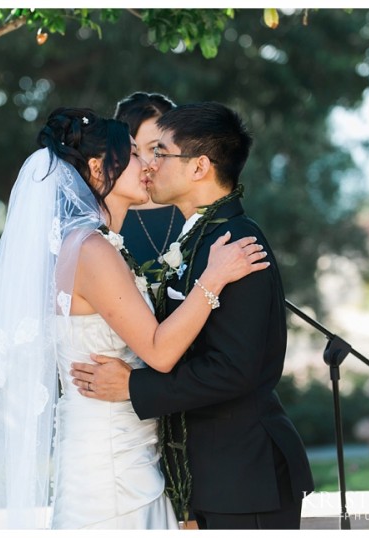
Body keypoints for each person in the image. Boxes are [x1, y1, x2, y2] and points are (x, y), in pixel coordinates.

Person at [0, 107, 269, 529]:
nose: (148, 165)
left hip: (120, 454)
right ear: (96, 167)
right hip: (111, 469)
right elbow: (159, 352)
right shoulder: (92, 250)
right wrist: (212, 279)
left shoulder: (89, 245)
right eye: (135, 156)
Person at [70, 102, 315, 529]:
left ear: (199, 167)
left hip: (246, 477)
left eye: (160, 152)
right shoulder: (199, 241)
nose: (149, 164)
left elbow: (235, 369)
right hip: (212, 479)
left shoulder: (237, 244)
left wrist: (135, 386)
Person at [113, 92, 185, 279]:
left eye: (155, 149)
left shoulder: (194, 211)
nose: (145, 163)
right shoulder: (107, 218)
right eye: (133, 151)